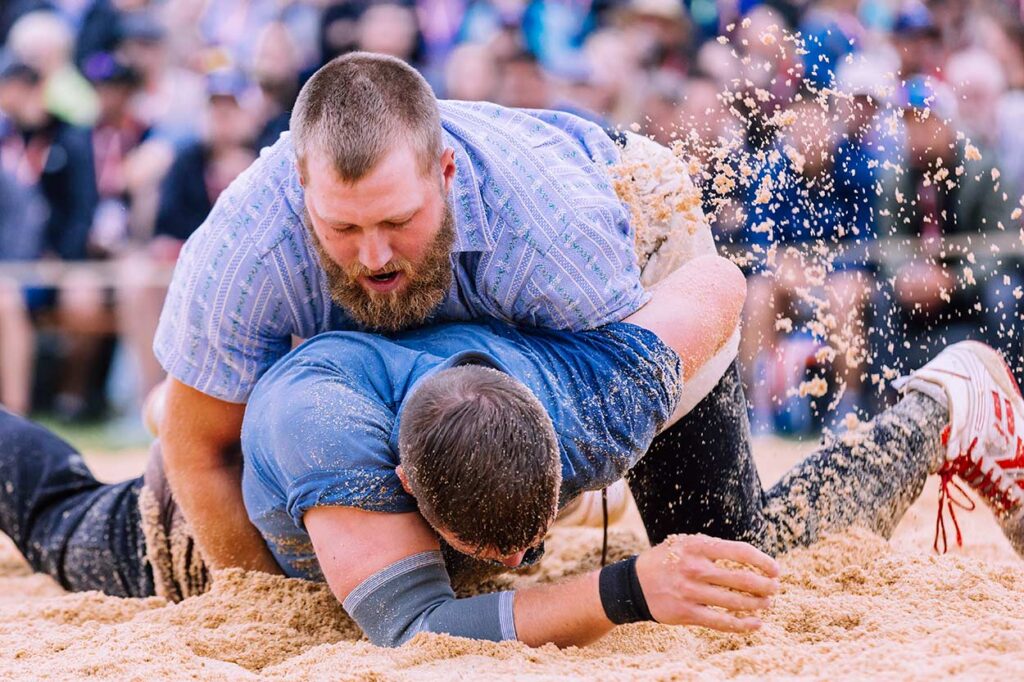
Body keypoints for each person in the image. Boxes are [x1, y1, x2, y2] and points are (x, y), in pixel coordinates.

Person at [2, 260, 1023, 648]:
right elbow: (412, 634)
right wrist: (625, 589)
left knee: (739, 558)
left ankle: (944, 404)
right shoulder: (327, 444)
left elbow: (710, 286)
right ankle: (938, 408)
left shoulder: (583, 393)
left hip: (566, 399)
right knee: (48, 512)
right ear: (403, 488)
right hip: (181, 528)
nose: (520, 564)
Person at [149, 50, 728, 576]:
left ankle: (577, 501)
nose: (372, 256)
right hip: (380, 369)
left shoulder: (554, 232)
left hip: (612, 248)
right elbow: (196, 444)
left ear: (445, 175)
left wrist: (551, 501)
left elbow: (622, 373)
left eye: (398, 221)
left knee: (728, 549)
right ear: (302, 188)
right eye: (343, 227)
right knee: (190, 417)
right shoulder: (243, 256)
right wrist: (271, 603)